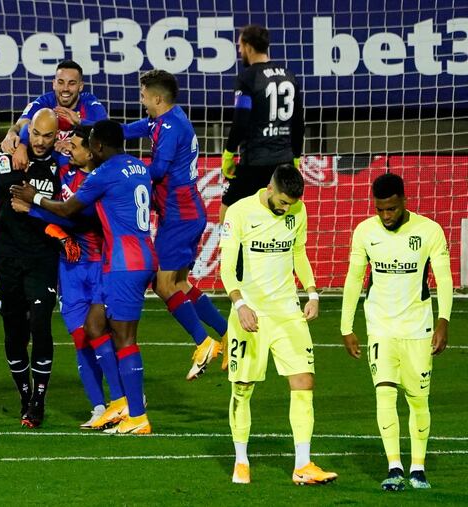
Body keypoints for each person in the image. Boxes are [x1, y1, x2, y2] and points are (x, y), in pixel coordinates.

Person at [11, 120, 157, 435]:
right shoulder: (138, 166)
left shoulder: (104, 173)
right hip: (139, 254)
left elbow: (67, 210)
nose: (88, 149)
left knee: (125, 338)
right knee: (99, 328)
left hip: (123, 261)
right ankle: (121, 404)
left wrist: (33, 198)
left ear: (100, 148)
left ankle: (138, 415)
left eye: (90, 144)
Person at [219, 164, 337, 485]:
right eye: (283, 202)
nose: (287, 208)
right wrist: (240, 304)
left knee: (303, 382)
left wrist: (311, 292)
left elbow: (299, 253)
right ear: (270, 188)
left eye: (292, 204)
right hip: (251, 314)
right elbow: (227, 268)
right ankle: (241, 461)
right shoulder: (239, 213)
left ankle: (303, 464)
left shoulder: (298, 211)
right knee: (242, 390)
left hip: (287, 312)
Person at [340, 173, 451, 491]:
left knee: (418, 399)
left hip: (418, 328)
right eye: (380, 210)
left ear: (403, 201)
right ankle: (394, 468)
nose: (386, 216)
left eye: (391, 209)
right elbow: (353, 278)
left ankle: (418, 468)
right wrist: (347, 326)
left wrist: (443, 320)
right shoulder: (365, 231)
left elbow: (443, 279)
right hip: (380, 327)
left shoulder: (429, 231)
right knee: (384, 393)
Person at [122, 69, 228, 379]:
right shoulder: (166, 118)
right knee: (180, 284)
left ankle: (203, 341)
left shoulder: (170, 128)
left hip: (180, 216)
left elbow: (157, 171)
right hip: (184, 213)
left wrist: (125, 169)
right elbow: (131, 129)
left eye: (143, 96)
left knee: (163, 284)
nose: (141, 101)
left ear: (156, 98)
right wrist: (90, 129)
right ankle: (231, 334)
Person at [0, 109, 62, 428]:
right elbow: (13, 188)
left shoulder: (62, 164)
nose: (41, 141)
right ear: (28, 130)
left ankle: (38, 401)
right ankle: (23, 395)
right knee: (14, 331)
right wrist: (16, 140)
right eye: (36, 134)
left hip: (42, 256)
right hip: (6, 257)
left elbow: (65, 207)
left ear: (56, 135)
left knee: (42, 325)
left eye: (49, 136)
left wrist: (37, 201)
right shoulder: (7, 152)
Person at [219, 24, 304, 223]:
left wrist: (229, 154)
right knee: (277, 213)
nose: (239, 51)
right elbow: (299, 123)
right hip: (283, 160)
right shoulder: (289, 76)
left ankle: (231, 253)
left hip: (255, 161)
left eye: (240, 46)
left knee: (228, 210)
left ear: (248, 47)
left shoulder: (248, 78)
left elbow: (240, 120)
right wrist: (296, 158)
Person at [1, 59, 107, 170]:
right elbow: (23, 123)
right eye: (61, 82)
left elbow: (107, 132)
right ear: (54, 84)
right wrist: (18, 140)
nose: (65, 89)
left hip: (79, 166)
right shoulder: (44, 102)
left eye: (71, 83)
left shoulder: (90, 104)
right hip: (48, 163)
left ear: (80, 86)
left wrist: (79, 126)